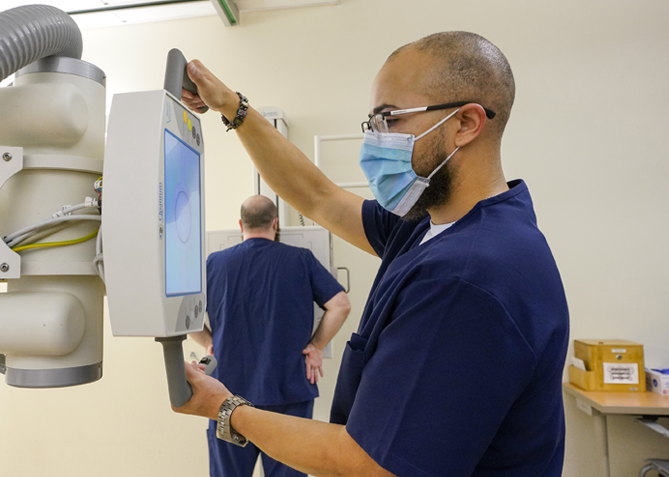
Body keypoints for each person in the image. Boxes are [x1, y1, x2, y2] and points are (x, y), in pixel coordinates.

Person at [174, 31, 570, 477]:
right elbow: (318, 196)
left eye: (389, 119)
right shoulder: (431, 225)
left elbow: (371, 464)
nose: (374, 141)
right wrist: (233, 107)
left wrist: (224, 407)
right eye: (373, 124)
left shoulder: (466, 277)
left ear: (465, 123)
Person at [190, 195, 351, 477]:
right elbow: (340, 305)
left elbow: (184, 316)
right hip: (288, 391)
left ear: (241, 224)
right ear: (275, 224)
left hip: (227, 394)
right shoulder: (300, 259)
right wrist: (316, 346)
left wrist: (209, 342)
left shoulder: (214, 263)